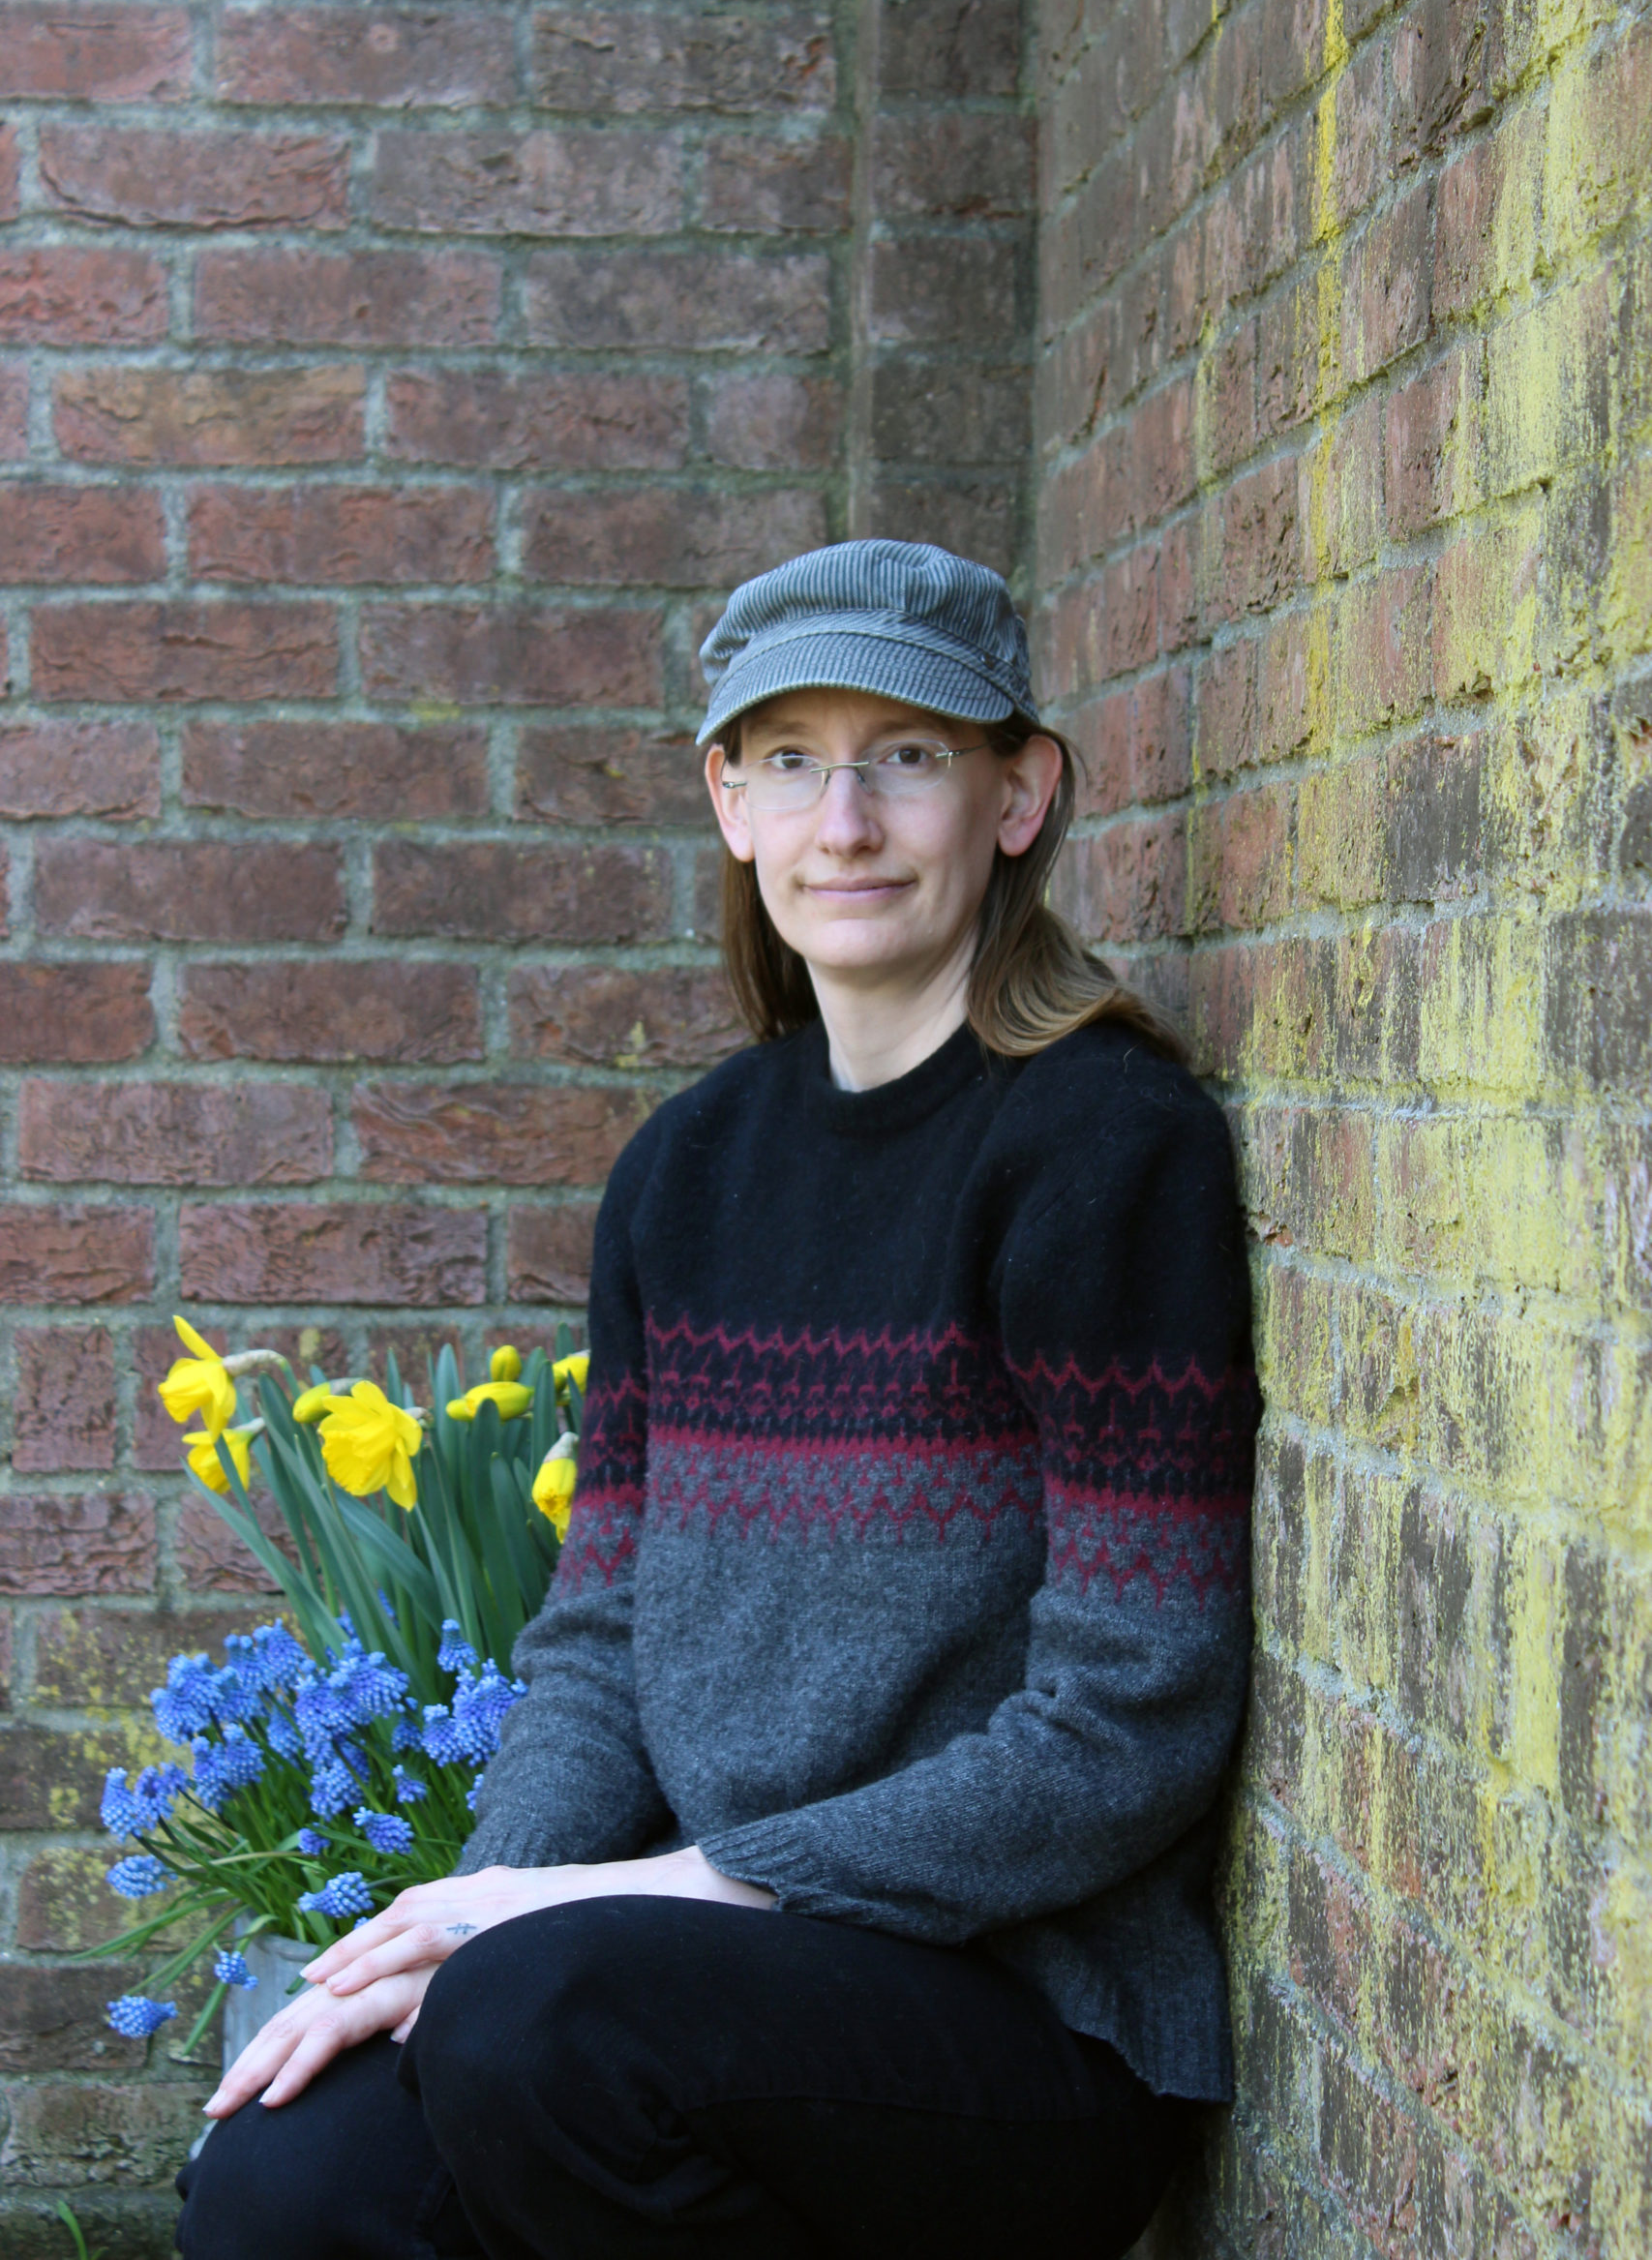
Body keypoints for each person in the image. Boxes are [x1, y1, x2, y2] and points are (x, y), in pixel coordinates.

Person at [177, 540, 1260, 2260]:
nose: (847, 822)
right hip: (666, 1982)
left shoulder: (1102, 1151)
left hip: (1018, 2018)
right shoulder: (684, 1175)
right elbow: (598, 1636)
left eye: (908, 755)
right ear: (730, 802)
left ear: (1018, 794)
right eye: (791, 761)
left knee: (543, 2026)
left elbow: (1128, 1728)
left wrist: (597, 1906)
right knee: (282, 2185)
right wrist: (464, 1909)